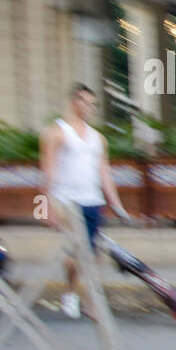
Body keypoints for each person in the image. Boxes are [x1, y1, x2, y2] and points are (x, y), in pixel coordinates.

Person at [39, 84, 132, 319]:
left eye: (93, 103)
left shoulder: (98, 138)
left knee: (93, 254)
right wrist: (45, 206)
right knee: (76, 251)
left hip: (92, 200)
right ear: (74, 102)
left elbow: (104, 172)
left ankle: (90, 300)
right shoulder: (56, 132)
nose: (90, 107)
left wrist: (117, 204)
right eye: (85, 102)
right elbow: (47, 170)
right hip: (66, 200)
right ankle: (71, 294)